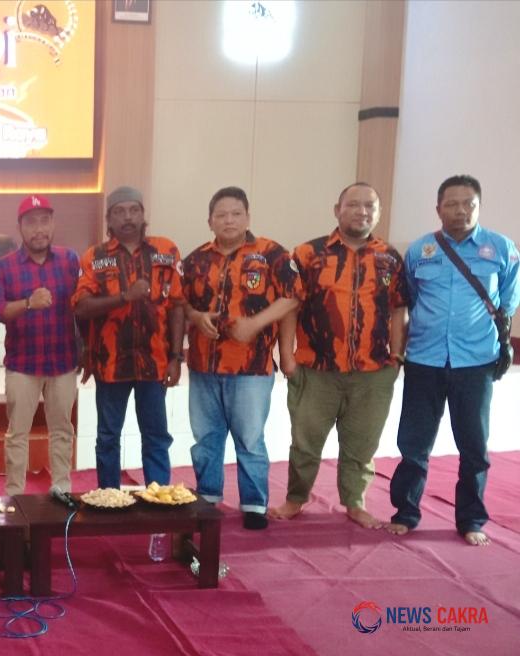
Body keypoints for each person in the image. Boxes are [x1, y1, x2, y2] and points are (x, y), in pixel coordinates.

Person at [387, 175, 519, 546]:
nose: (461, 210)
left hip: (474, 362)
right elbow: (411, 298)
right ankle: (405, 512)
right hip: (424, 360)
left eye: (468, 204)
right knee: (414, 444)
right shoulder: (421, 250)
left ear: (479, 206)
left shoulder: (502, 249)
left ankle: (471, 519)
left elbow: (507, 302)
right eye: (452, 204)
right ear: (438, 208)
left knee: (474, 446)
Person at [269, 183, 408, 529]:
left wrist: (397, 357)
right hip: (316, 370)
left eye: (370, 206)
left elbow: (398, 309)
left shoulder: (390, 257)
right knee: (305, 443)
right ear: (337, 210)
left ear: (378, 213)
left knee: (362, 444)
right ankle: (295, 498)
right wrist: (287, 356)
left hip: (373, 372)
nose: (362, 212)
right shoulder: (307, 254)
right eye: (354, 205)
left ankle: (355, 502)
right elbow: (290, 306)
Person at [182, 186, 299, 530]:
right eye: (221, 215)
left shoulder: (272, 254)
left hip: (251, 366)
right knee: (206, 437)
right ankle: (208, 498)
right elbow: (179, 302)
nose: (228, 220)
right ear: (210, 221)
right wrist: (195, 316)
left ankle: (254, 503)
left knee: (249, 438)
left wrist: (255, 324)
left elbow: (293, 297)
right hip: (204, 364)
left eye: (236, 213)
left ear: (248, 217)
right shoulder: (196, 259)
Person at [72, 186, 184, 489]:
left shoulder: (166, 250)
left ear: (143, 214)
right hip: (110, 364)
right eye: (119, 212)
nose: (128, 217)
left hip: (155, 362)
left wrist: (176, 358)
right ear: (109, 219)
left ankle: (158, 499)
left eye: (134, 210)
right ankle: (110, 498)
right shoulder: (94, 257)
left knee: (156, 436)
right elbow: (81, 307)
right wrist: (124, 297)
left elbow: (177, 306)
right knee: (108, 436)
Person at [0, 195, 81, 496]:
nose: (39, 229)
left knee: (62, 430)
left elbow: (82, 306)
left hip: (63, 362)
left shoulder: (70, 260)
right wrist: (27, 303)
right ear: (20, 227)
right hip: (23, 365)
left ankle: (61, 489)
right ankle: (15, 495)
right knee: (17, 433)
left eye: (44, 221)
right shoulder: (2, 267)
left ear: (53, 224)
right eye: (31, 222)